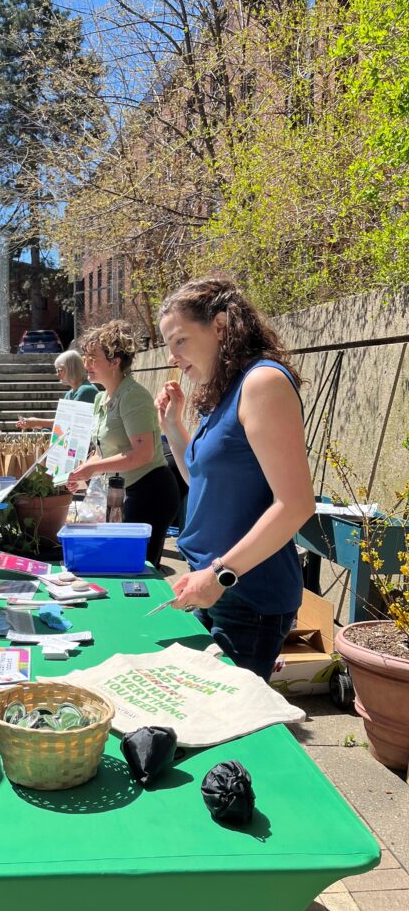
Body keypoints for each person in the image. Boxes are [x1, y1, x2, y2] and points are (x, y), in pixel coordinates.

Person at [155, 275, 315, 680]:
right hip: (212, 585)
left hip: (247, 596)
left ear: (221, 325)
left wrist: (222, 573)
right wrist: (173, 429)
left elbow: (295, 504)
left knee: (228, 728)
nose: (172, 356)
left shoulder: (263, 382)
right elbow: (205, 485)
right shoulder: (224, 390)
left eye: (180, 341)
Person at [67, 320, 179, 568]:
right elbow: (103, 452)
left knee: (137, 568)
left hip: (151, 492)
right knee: (120, 564)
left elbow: (142, 454)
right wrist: (81, 471)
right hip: (123, 491)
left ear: (115, 361)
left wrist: (92, 469)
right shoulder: (100, 398)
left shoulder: (133, 397)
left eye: (92, 357)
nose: (86, 364)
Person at [17, 349, 99, 430]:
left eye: (60, 370)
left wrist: (37, 422)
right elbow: (63, 425)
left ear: (71, 368)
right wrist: (35, 425)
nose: (57, 375)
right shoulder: (70, 393)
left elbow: (69, 423)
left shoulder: (86, 390)